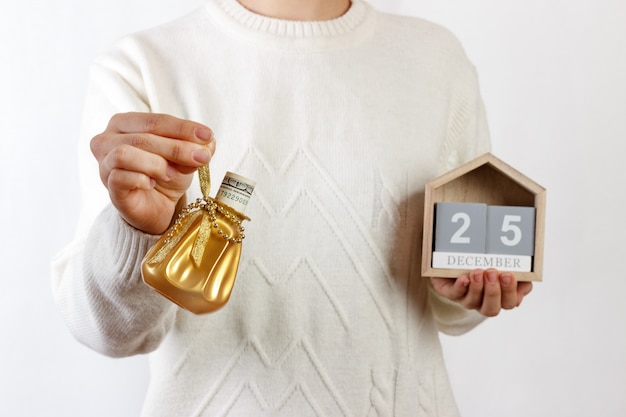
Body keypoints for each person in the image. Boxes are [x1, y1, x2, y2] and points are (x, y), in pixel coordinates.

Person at [52, 0, 533, 415]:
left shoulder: (437, 61)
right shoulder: (143, 68)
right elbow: (107, 332)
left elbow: (450, 302)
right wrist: (138, 233)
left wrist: (468, 292)